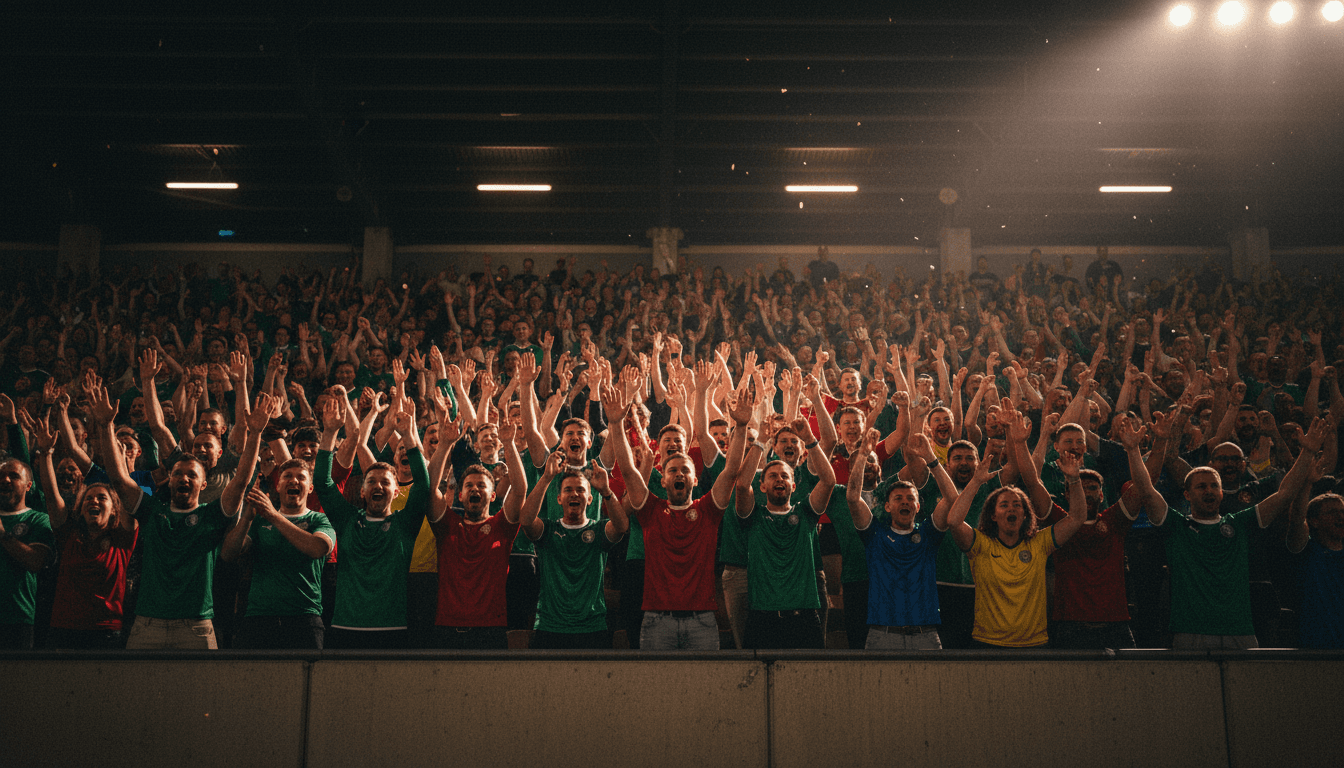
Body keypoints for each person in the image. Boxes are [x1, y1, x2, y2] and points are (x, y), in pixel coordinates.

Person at [101, 383, 273, 650]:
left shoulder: (212, 515)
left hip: (197, 626)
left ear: (204, 484)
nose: (184, 478)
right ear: (169, 481)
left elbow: (240, 482)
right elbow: (119, 480)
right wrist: (104, 427)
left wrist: (256, 434)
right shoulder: (152, 511)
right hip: (148, 623)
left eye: (192, 475)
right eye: (178, 473)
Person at [1148, 417, 1327, 649]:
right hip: (1190, 629)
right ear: (1187, 494)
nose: (1209, 490)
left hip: (1242, 624)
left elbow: (1285, 493)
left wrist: (1307, 452)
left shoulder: (1242, 519)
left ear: (1222, 493)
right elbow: (1147, 489)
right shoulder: (1178, 525)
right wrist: (1156, 442)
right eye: (1202, 486)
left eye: (1214, 486)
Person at [607, 381, 749, 650]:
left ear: (695, 480)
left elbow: (731, 471)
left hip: (702, 621)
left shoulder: (708, 510)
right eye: (673, 470)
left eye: (686, 470)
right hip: (656, 621)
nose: (680, 474)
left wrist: (740, 427)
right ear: (662, 479)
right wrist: (615, 424)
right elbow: (627, 469)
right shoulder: (650, 511)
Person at [947, 408, 1087, 648]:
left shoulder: (1039, 543)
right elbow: (953, 522)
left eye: (1017, 505)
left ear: (1025, 514)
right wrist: (976, 482)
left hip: (1034, 645)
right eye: (1004, 505)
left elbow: (1076, 519)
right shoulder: (981, 545)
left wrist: (1074, 479)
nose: (1011, 509)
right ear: (992, 514)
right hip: (987, 642)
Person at [313, 398, 434, 649]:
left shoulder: (405, 524)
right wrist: (328, 433)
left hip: (393, 628)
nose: (378, 486)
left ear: (397, 491)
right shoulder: (347, 520)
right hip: (345, 627)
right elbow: (323, 485)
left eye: (385, 482)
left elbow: (423, 486)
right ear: (362, 491)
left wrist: (410, 438)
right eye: (372, 481)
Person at [26, 412, 137, 649]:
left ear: (114, 510)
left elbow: (123, 489)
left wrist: (109, 432)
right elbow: (51, 493)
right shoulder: (69, 536)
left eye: (101, 498)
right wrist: (46, 453)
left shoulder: (123, 539)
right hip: (64, 630)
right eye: (88, 498)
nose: (94, 501)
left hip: (105, 632)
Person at [733, 416, 836, 649]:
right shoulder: (753, 516)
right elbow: (741, 485)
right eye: (772, 475)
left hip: (804, 617)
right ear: (762, 486)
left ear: (793, 486)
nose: (779, 478)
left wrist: (809, 439)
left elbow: (828, 481)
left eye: (785, 476)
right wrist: (760, 439)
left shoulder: (806, 514)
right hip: (763, 617)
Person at [849, 432, 957, 649]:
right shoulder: (875, 535)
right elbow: (853, 497)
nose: (904, 502)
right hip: (882, 633)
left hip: (925, 633)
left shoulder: (928, 534)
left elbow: (952, 499)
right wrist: (862, 455)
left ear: (917, 507)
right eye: (898, 499)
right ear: (887, 507)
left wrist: (930, 457)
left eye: (910, 499)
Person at [515, 451, 629, 649]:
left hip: (592, 627)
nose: (574, 494)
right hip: (551, 627)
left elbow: (621, 527)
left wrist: (607, 492)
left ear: (590, 499)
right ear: (559, 499)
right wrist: (546, 478)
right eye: (568, 490)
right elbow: (525, 521)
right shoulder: (549, 530)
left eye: (580, 490)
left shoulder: (598, 529)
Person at [1287, 492, 1344, 649]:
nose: (1340, 517)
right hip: (1315, 650)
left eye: (1342, 511)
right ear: (1314, 521)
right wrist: (1307, 482)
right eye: (1332, 512)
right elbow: (1296, 520)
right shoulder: (1307, 551)